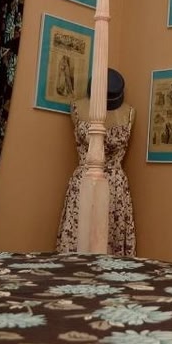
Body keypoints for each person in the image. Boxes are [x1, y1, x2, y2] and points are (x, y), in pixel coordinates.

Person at [56, 68, 136, 256]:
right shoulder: (78, 107)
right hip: (84, 181)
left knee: (111, 241)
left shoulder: (129, 112)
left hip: (116, 188)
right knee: (79, 239)